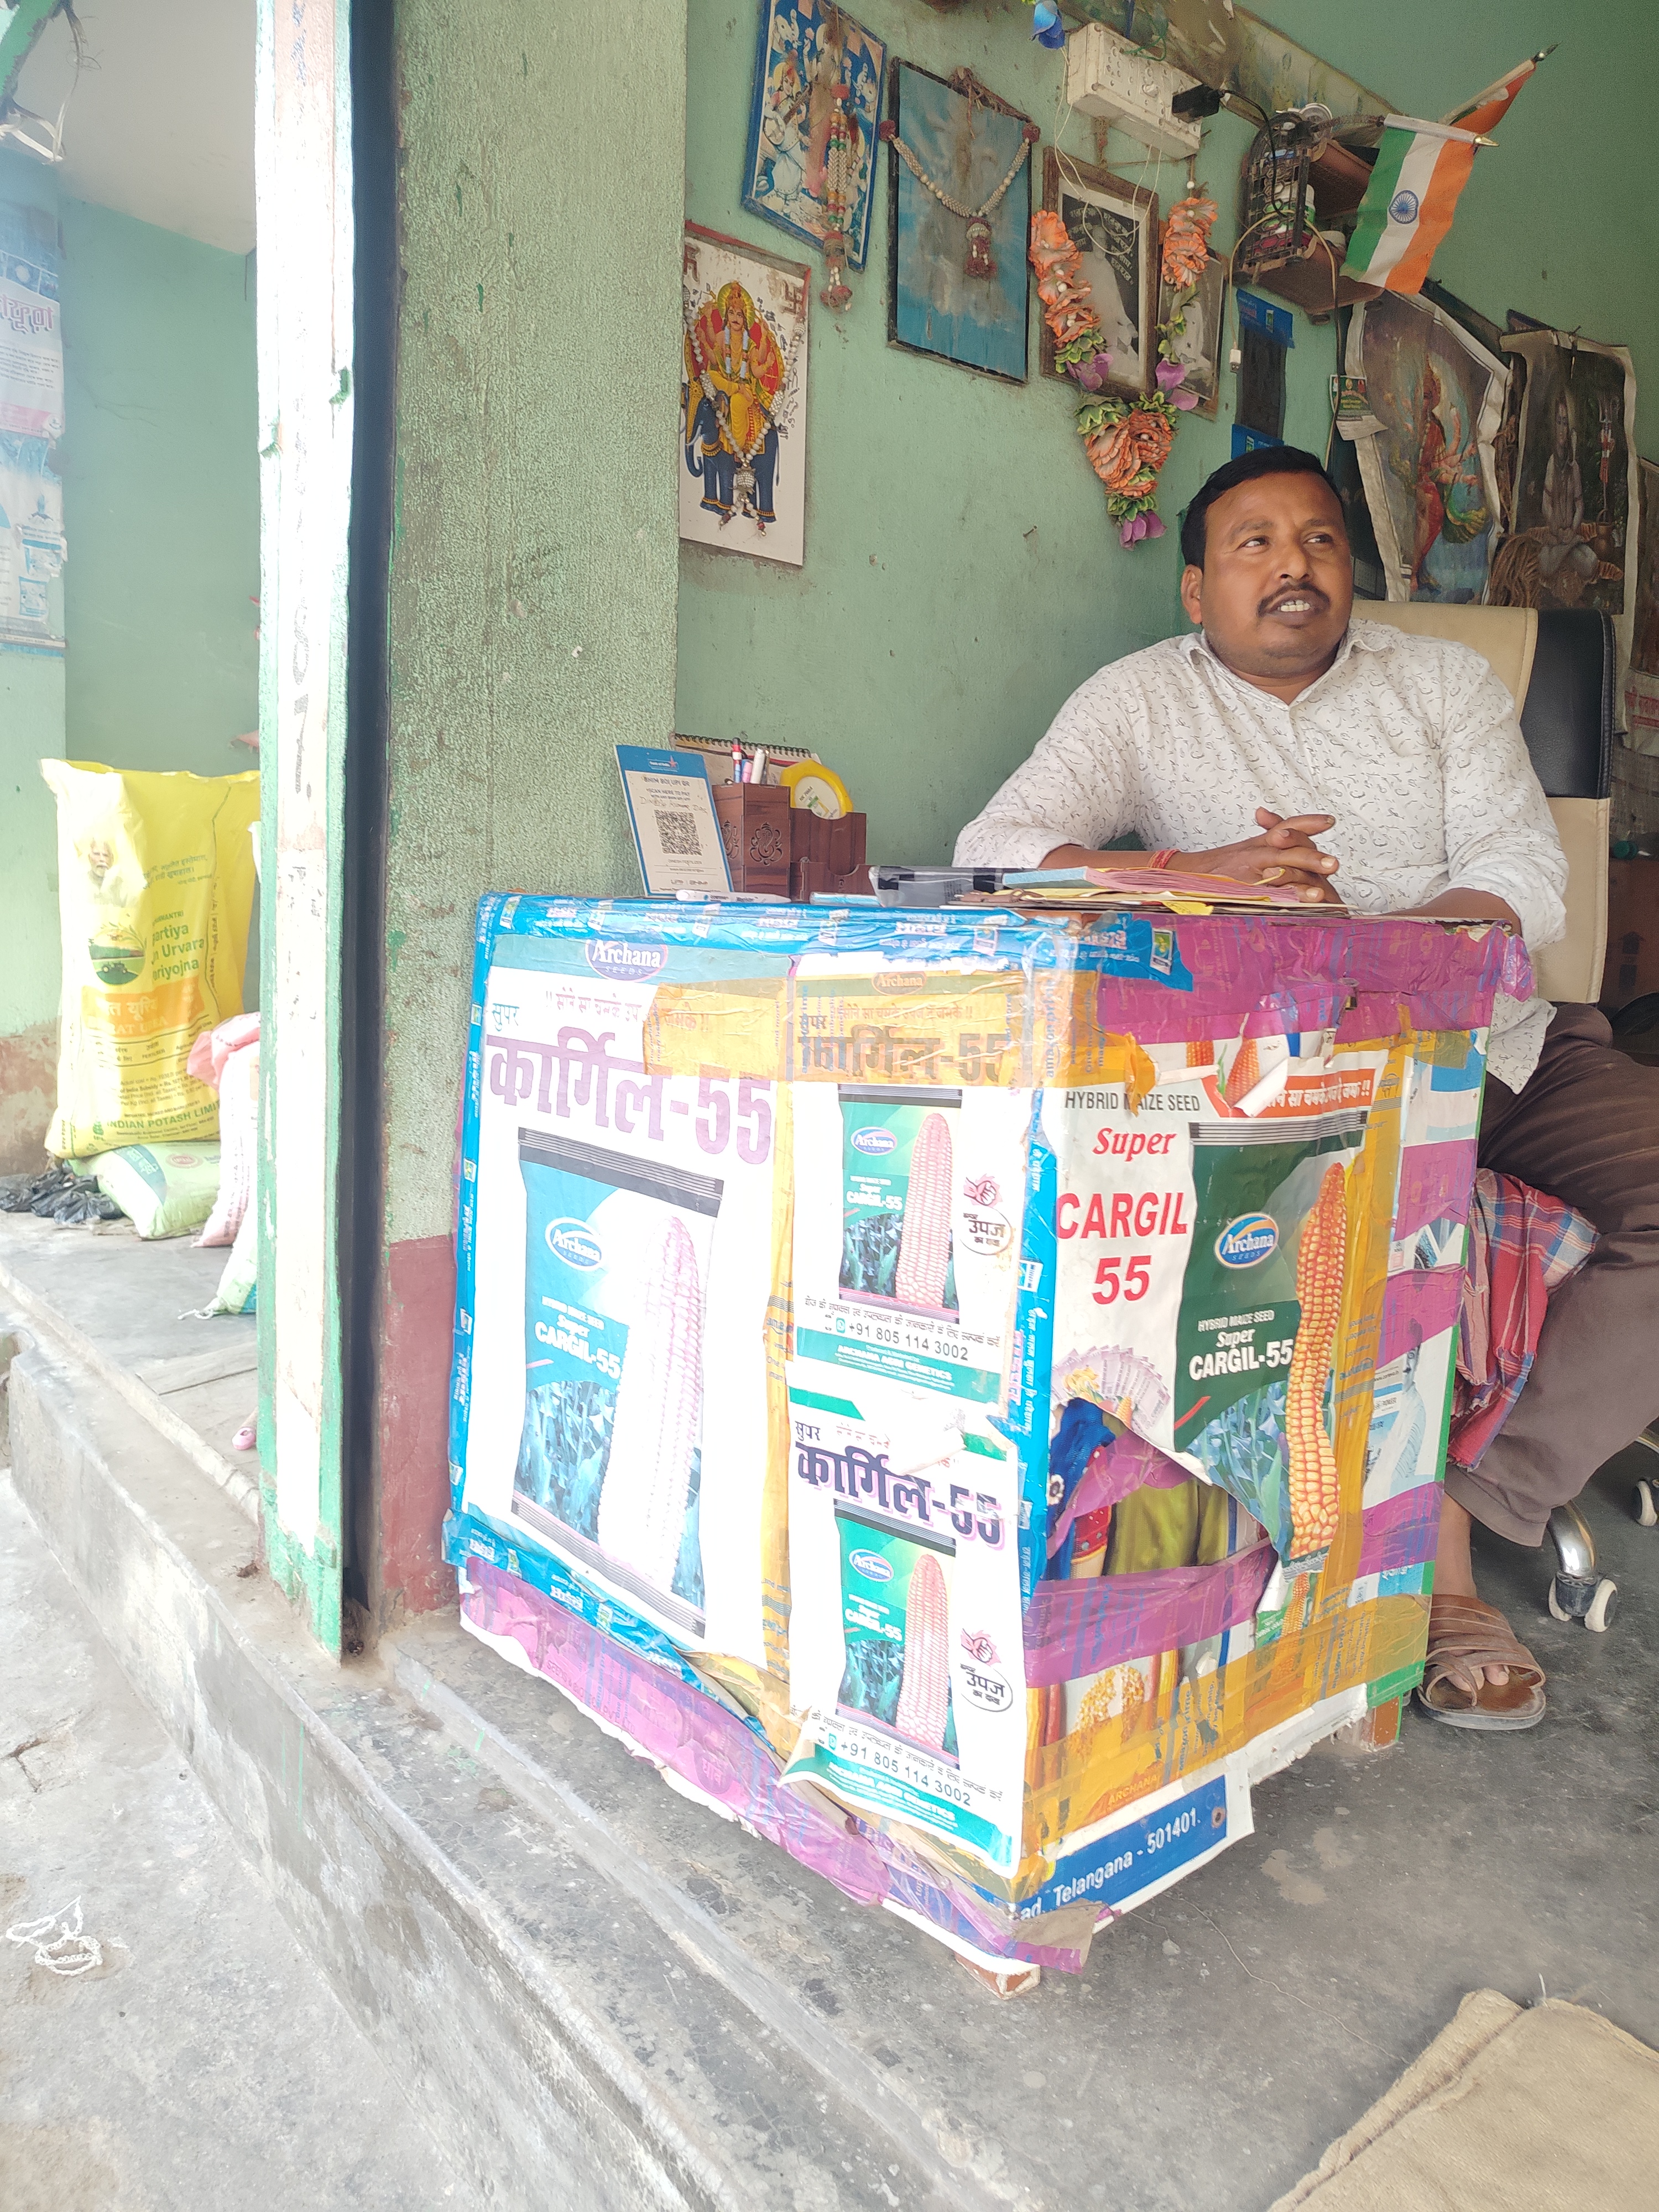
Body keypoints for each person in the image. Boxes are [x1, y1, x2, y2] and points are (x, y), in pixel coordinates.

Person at [956, 442, 1659, 1732]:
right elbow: (991, 853)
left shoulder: (1440, 683)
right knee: (1327, 1226)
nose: (1295, 565)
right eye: (1257, 543)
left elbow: (1524, 869)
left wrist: (1379, 951)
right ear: (1196, 588)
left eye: (1321, 539)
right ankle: (1392, 1587)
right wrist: (1194, 874)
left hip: (1494, 1040)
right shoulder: (1137, 700)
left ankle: (1469, 1503)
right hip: (1277, 1074)